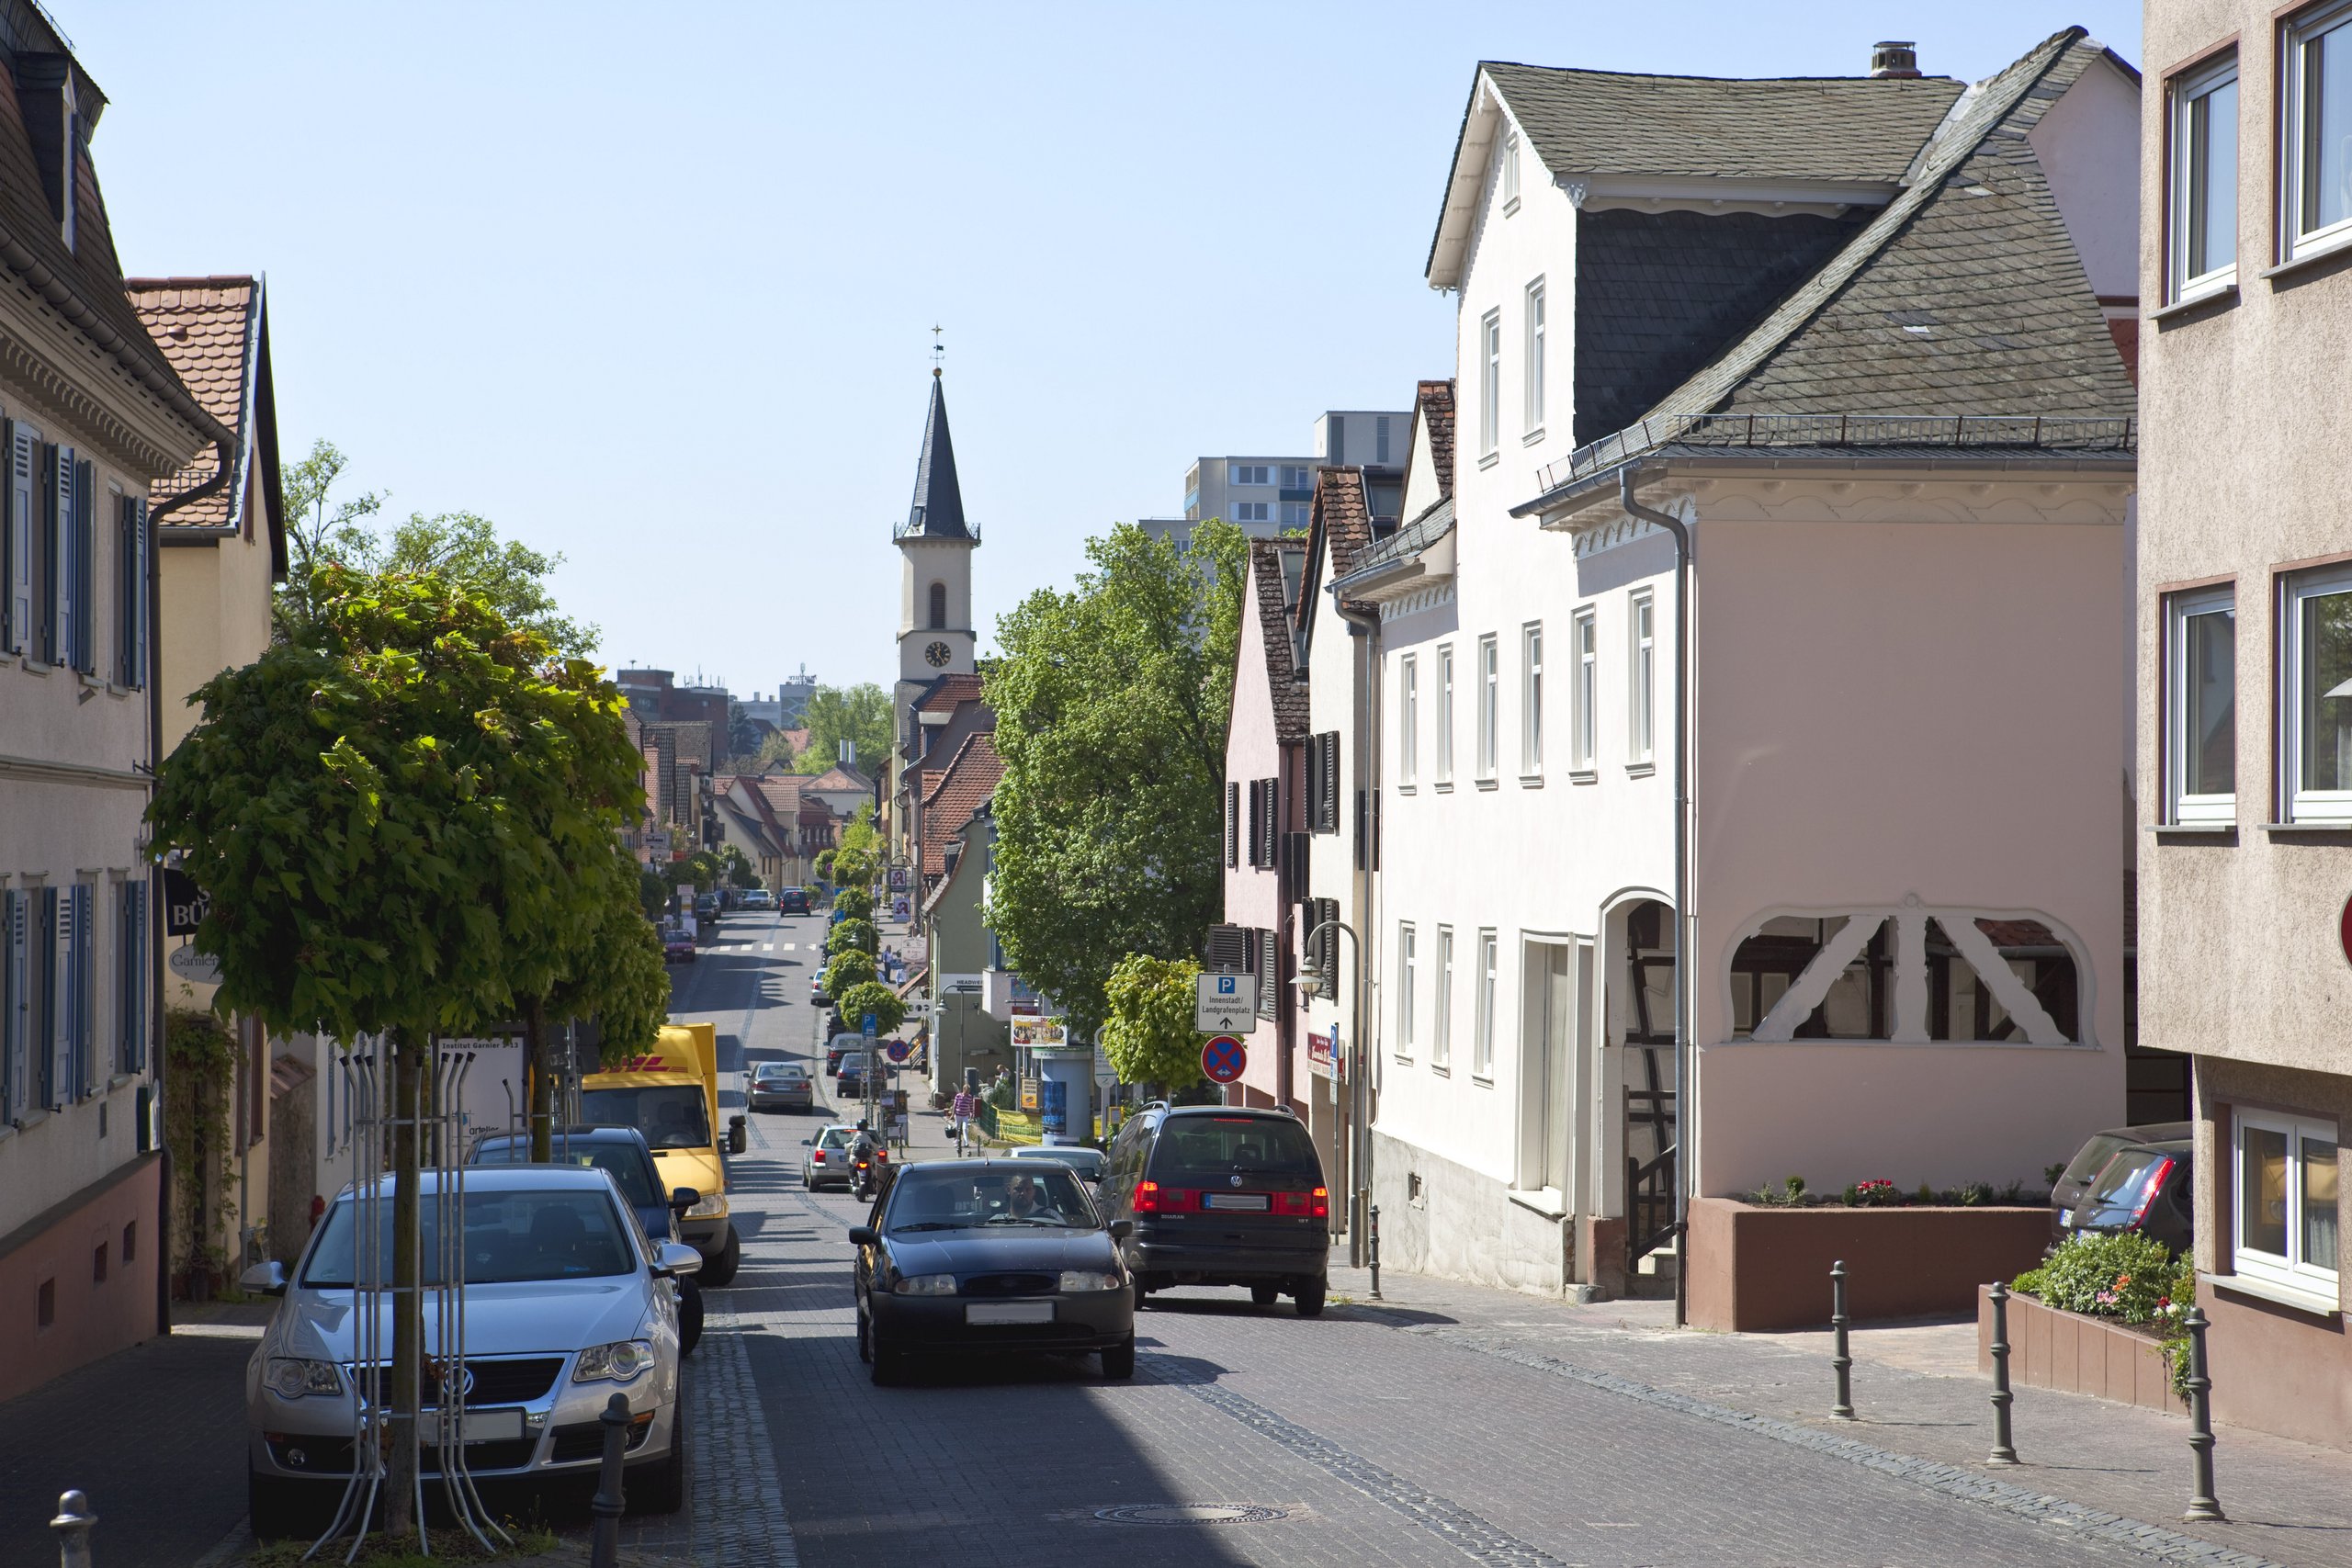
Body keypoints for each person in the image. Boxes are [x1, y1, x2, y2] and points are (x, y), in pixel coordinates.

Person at [1002, 1171, 1066, 1224]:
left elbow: (1066, 1236)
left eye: (1028, 1189)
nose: (1023, 1193)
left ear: (1034, 1191)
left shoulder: (1051, 1216)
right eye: (1019, 1189)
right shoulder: (997, 1220)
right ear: (1008, 1190)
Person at [950, 1084, 976, 1156]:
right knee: (957, 1128)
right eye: (967, 1091)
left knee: (965, 1128)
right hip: (958, 1115)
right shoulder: (958, 1096)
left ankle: (966, 1143)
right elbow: (955, 1105)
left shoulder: (970, 1097)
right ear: (964, 1090)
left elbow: (971, 1106)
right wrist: (952, 1114)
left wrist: (971, 1113)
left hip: (965, 1115)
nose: (968, 1093)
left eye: (969, 1091)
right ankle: (956, 1142)